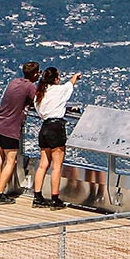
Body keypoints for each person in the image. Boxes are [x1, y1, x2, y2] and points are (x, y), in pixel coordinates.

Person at [29, 67, 82, 208]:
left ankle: (37, 196)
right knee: (56, 166)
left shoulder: (39, 93)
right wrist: (76, 76)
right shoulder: (59, 90)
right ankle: (55, 198)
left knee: (43, 165)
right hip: (56, 128)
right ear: (56, 79)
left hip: (44, 128)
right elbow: (69, 85)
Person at [0, 61, 41, 203]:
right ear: (36, 74)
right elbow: (39, 102)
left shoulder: (14, 82)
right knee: (11, 161)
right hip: (10, 129)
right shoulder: (30, 87)